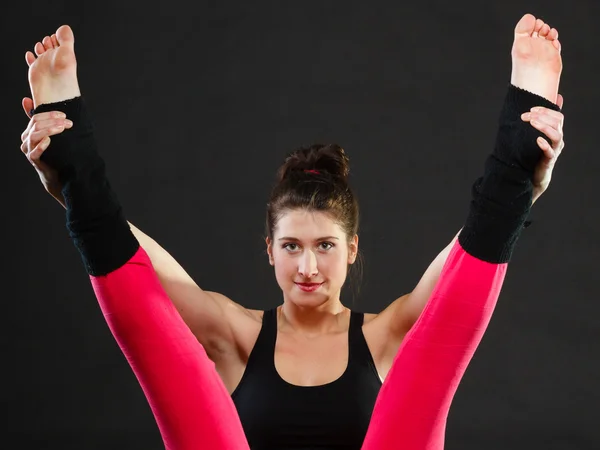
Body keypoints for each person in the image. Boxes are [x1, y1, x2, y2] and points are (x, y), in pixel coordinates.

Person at [20, 13, 565, 450]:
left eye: (325, 246)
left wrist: (520, 192)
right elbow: (146, 281)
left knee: (434, 356)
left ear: (352, 249)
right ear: (269, 252)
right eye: (292, 247)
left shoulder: (387, 335)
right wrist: (72, 189)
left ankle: (509, 167)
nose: (307, 267)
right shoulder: (232, 334)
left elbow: (455, 285)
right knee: (164, 346)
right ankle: (81, 165)